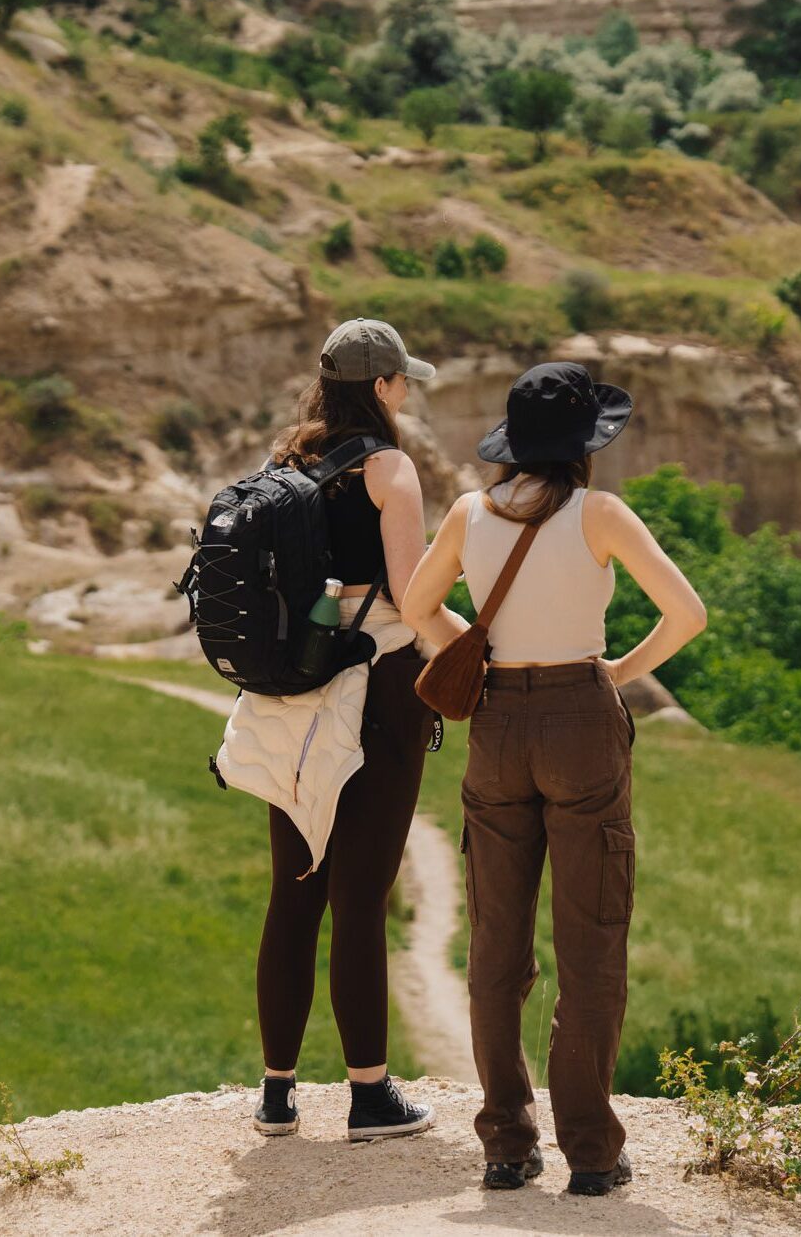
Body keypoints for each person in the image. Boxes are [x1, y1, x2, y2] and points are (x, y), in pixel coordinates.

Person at [401, 361, 707, 1197]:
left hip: (498, 724)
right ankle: (592, 1151)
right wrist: (618, 669)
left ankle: (505, 1143)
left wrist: (469, 646)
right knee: (592, 942)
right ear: (585, 445)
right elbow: (688, 613)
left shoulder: (470, 512)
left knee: (498, 943)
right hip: (581, 716)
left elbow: (416, 602)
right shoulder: (601, 513)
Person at [220, 319, 469, 1143]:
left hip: (291, 687)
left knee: (294, 892)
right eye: (405, 382)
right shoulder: (389, 468)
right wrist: (483, 656)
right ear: (385, 386)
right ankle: (368, 1093)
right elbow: (412, 594)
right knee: (361, 896)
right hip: (376, 685)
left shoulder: (287, 460)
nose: (408, 394)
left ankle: (278, 1093)